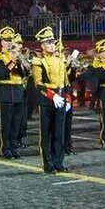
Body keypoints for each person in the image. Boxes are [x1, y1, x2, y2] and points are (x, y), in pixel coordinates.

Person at [0, 27, 28, 159]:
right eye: (6, 40)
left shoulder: (17, 55)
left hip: (18, 90)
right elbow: (1, 73)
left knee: (17, 122)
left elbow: (26, 73)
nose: (9, 42)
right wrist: (12, 61)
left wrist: (20, 62)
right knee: (7, 123)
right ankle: (6, 148)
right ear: (1, 42)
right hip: (5, 90)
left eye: (11, 40)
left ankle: (14, 147)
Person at [31, 27, 68, 173]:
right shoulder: (38, 61)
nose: (52, 45)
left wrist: (68, 99)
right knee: (46, 133)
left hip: (61, 98)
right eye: (48, 42)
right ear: (42, 45)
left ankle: (59, 162)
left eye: (53, 42)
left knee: (59, 133)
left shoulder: (60, 60)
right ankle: (48, 164)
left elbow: (66, 82)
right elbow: (38, 84)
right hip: (47, 100)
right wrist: (53, 96)